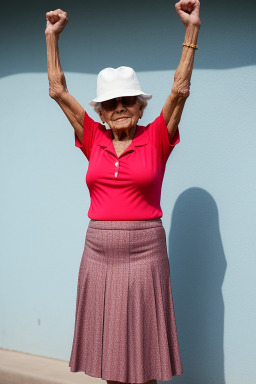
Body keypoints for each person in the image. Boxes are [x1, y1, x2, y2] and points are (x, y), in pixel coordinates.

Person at [45, 1, 201, 383]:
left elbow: (180, 89)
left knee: (143, 356)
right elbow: (57, 90)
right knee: (109, 355)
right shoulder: (92, 136)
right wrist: (51, 37)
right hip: (98, 250)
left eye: (128, 100)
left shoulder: (158, 136)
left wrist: (191, 30)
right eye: (111, 103)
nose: (120, 108)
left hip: (145, 249)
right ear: (99, 111)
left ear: (140, 105)